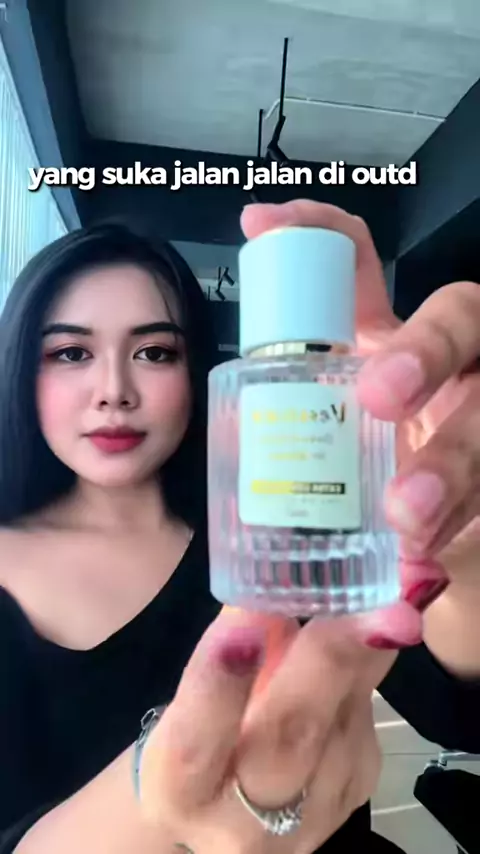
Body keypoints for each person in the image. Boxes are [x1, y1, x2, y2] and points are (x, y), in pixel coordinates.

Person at [0, 199, 479, 854]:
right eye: (71, 352)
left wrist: (461, 551)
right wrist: (162, 787)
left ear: (196, 368)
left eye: (154, 351)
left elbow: (459, 717)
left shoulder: (283, 524)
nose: (114, 389)